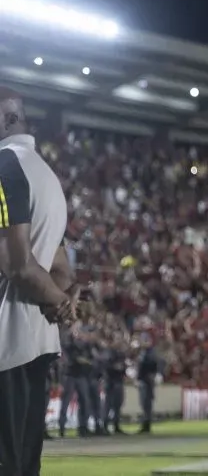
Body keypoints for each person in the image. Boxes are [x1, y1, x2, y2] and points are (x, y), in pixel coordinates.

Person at [0, 88, 77, 474]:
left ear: (8, 119)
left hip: (5, 342)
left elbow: (18, 266)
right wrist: (61, 300)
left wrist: (59, 301)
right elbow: (61, 268)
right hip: (40, 342)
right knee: (25, 465)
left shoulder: (3, 167)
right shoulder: (47, 177)